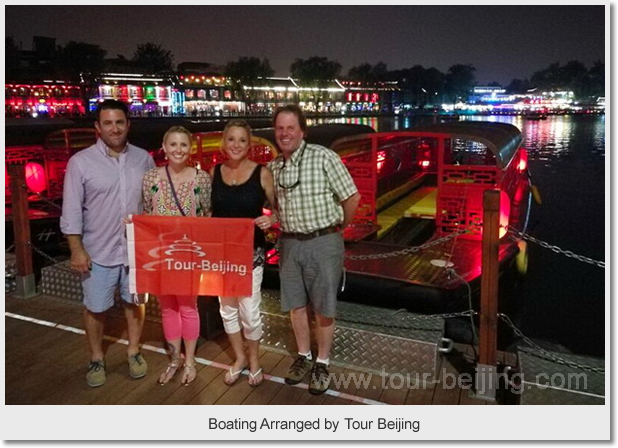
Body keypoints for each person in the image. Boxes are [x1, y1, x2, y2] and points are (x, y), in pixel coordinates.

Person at [61, 99, 155, 387]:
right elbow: (72, 210)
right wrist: (76, 248)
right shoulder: (80, 162)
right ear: (97, 127)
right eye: (108, 123)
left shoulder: (143, 159)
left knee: (135, 302)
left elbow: (152, 203)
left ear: (129, 124)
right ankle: (96, 357)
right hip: (98, 249)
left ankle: (134, 350)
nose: (114, 128)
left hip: (135, 249)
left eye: (119, 122)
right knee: (95, 307)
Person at [267, 105, 361, 395]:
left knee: (323, 307)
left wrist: (337, 229)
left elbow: (352, 197)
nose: (284, 133)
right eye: (280, 128)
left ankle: (322, 361)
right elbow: (275, 207)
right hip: (290, 241)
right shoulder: (274, 167)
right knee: (295, 305)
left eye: (290, 128)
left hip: (323, 240)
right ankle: (303, 356)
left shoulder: (323, 157)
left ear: (302, 131)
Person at [141, 126, 212, 386]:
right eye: (173, 144)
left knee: (187, 306)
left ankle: (190, 360)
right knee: (167, 307)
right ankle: (174, 358)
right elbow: (148, 213)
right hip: (160, 254)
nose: (178, 150)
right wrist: (134, 222)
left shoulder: (201, 179)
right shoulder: (150, 178)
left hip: (188, 254)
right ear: (164, 146)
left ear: (190, 148)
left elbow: (207, 214)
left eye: (183, 145)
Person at [210, 120, 276, 387]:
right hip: (221, 254)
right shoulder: (213, 172)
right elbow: (205, 212)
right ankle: (238, 357)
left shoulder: (262, 173)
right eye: (231, 139)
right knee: (227, 309)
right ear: (224, 143)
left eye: (242, 140)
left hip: (250, 253)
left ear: (249, 145)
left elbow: (278, 207)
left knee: (249, 311)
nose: (236, 145)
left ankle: (254, 359)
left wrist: (273, 220)